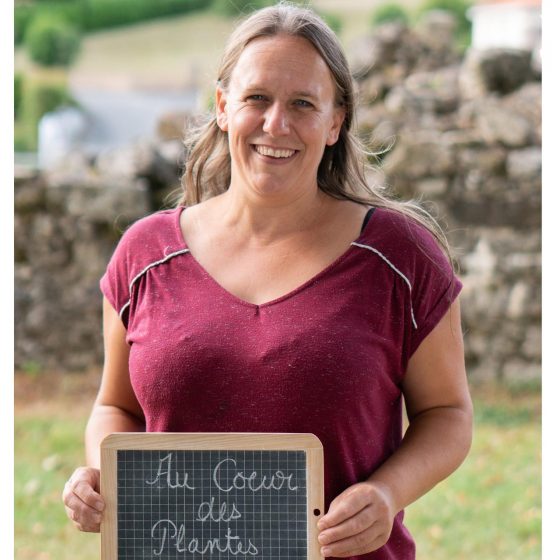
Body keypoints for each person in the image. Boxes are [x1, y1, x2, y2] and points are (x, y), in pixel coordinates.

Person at [62, 3, 472, 558]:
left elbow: (447, 415)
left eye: (303, 103)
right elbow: (117, 408)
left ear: (336, 122)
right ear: (224, 106)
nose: (276, 124)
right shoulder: (144, 253)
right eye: (257, 98)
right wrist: (97, 472)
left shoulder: (400, 256)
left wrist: (386, 491)